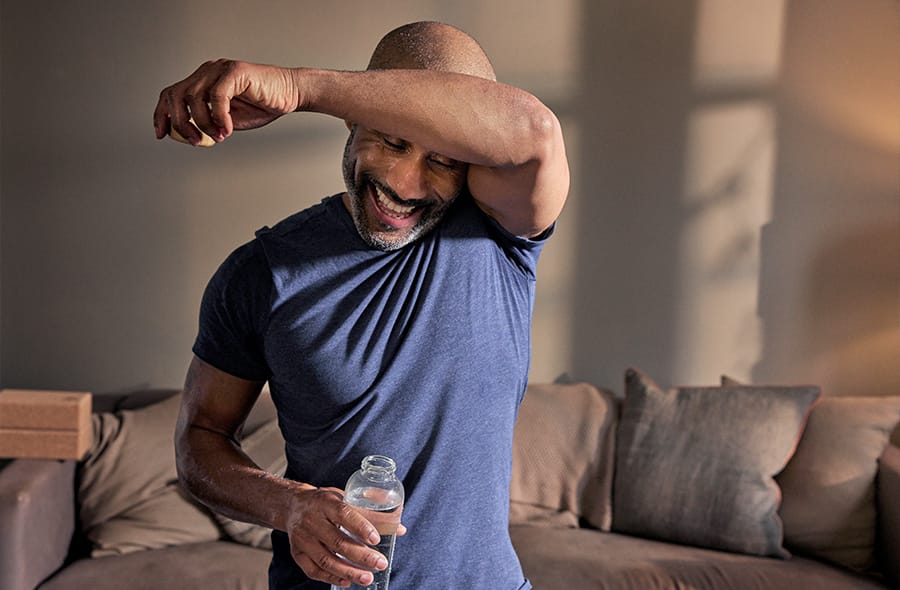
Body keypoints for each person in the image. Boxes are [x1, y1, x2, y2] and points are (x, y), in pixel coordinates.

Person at [153, 21, 568, 590]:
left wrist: (297, 88)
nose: (404, 181)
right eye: (391, 139)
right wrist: (288, 506)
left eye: (444, 160)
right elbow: (199, 441)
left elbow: (534, 131)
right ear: (354, 116)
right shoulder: (261, 273)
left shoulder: (500, 235)